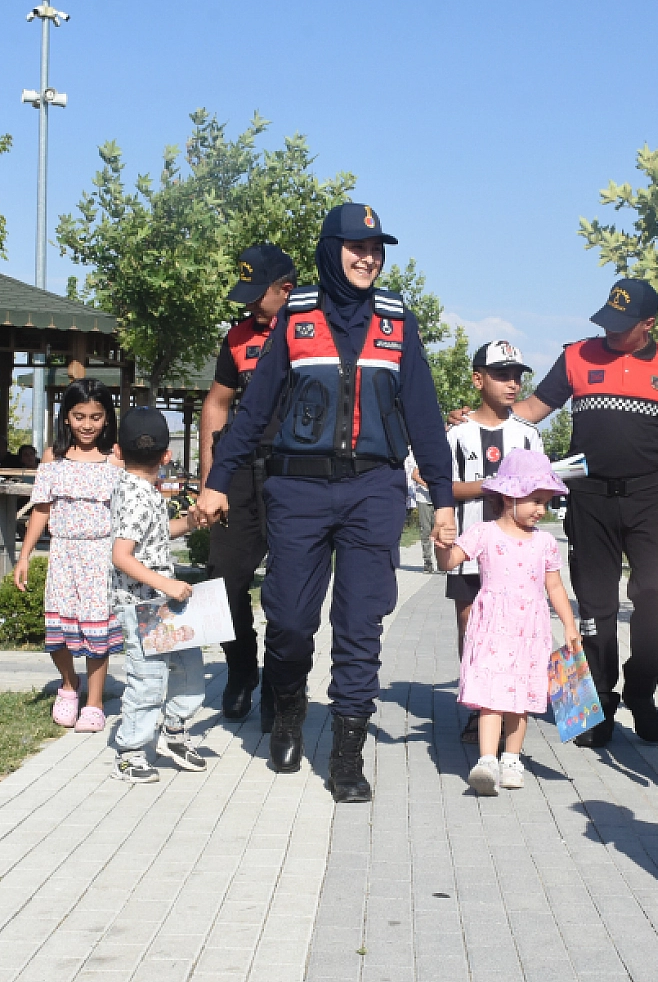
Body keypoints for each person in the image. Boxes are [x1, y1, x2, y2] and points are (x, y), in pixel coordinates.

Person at [195, 203, 456, 801]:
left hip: (374, 489)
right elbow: (253, 410)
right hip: (298, 488)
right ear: (329, 249)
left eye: (377, 248)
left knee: (360, 622)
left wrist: (441, 499)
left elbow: (422, 415)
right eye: (356, 247)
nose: (368, 258)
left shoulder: (397, 321)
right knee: (288, 617)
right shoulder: (296, 315)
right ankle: (286, 710)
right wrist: (217, 480)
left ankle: (346, 754)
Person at [502, 278, 658, 747]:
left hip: (651, 499)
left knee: (655, 594)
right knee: (594, 605)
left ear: (649, 325)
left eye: (622, 327)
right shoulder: (577, 356)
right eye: (607, 324)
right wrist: (484, 419)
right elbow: (532, 409)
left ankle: (640, 691)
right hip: (588, 495)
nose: (611, 334)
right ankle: (594, 703)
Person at [438, 449, 579, 796]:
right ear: (508, 496)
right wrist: (441, 543)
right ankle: (487, 760)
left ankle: (512, 758)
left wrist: (569, 624)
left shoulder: (545, 542)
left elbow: (555, 586)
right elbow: (450, 560)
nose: (541, 510)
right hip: (492, 627)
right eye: (535, 500)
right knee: (492, 695)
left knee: (522, 697)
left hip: (530, 630)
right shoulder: (484, 533)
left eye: (545, 502)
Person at [201, 244, 296, 724]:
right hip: (239, 470)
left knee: (287, 588)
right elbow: (216, 404)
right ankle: (241, 670)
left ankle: (283, 687)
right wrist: (207, 481)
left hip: (293, 472)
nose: (248, 305)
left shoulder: (308, 332)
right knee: (222, 579)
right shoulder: (236, 338)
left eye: (257, 295)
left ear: (286, 289)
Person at [445, 340, 542, 743]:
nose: (512, 383)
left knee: (516, 630)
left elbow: (540, 489)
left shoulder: (527, 435)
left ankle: (511, 708)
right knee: (473, 627)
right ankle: (478, 706)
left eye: (517, 376)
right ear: (478, 379)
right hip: (470, 552)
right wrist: (489, 485)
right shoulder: (458, 434)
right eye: (502, 374)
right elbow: (443, 487)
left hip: (516, 555)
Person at [13, 378, 124, 733]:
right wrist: (25, 555)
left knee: (97, 631)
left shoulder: (114, 459)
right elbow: (41, 510)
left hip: (99, 555)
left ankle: (94, 702)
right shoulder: (53, 458)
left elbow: (123, 512)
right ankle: (68, 684)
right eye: (79, 416)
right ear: (66, 418)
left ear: (106, 419)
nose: (87, 425)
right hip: (62, 553)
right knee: (58, 631)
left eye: (95, 417)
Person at [109, 406, 209, 783]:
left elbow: (153, 535)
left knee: (187, 667)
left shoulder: (137, 490)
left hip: (161, 606)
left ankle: (174, 731)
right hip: (141, 606)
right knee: (148, 678)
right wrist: (167, 584)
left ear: (118, 451)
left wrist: (189, 523)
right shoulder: (136, 494)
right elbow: (121, 555)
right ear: (167, 455)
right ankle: (131, 751)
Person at [404, 451, 438, 574]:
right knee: (426, 531)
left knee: (438, 531)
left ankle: (440, 562)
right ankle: (428, 562)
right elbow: (414, 474)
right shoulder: (424, 457)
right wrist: (427, 485)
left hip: (437, 499)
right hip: (423, 498)